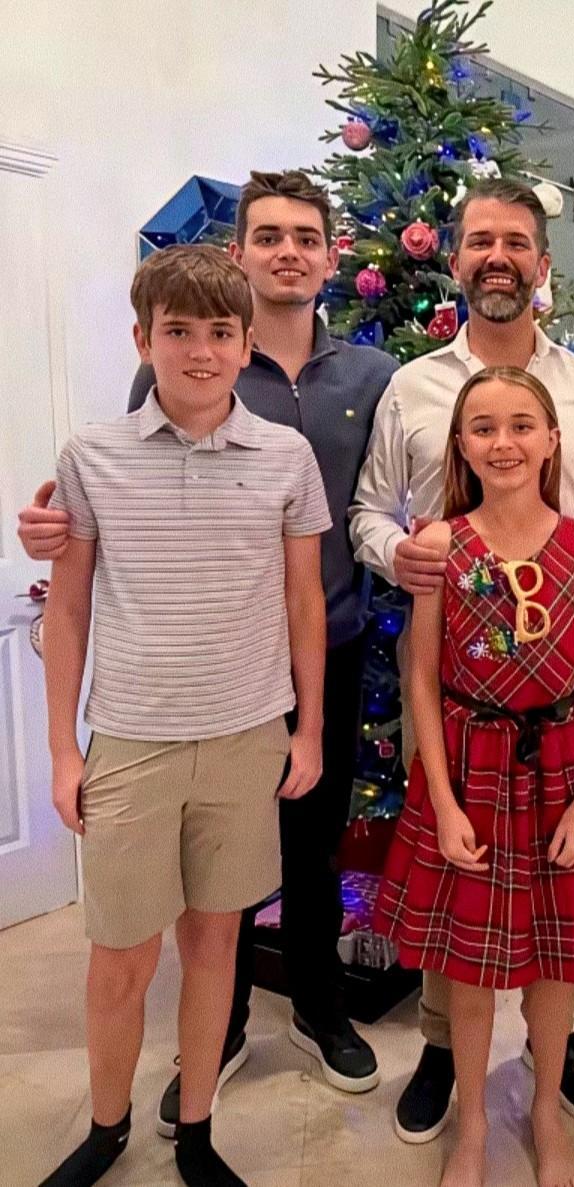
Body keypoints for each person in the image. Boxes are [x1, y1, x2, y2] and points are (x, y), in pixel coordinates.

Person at [18, 172, 397, 1125]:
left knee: (311, 853)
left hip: (322, 647)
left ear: (330, 256)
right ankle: (215, 1033)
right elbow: (125, 493)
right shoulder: (178, 369)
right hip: (183, 677)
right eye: (268, 235)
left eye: (305, 236)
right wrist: (49, 529)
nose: (288, 251)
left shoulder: (371, 375)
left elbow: (409, 476)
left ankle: (317, 1006)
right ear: (241, 251)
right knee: (190, 899)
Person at [351, 178, 574, 1143]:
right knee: (463, 889)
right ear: (456, 258)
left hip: (560, 676)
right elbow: (370, 511)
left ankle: (556, 1052)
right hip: (456, 674)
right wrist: (401, 552)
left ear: (541, 263)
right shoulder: (412, 388)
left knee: (556, 892)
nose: (497, 257)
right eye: (480, 240)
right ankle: (447, 1050)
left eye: (516, 241)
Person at [39, 245, 331, 1187]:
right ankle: (106, 1125)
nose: (199, 351)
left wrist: (309, 729)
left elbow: (303, 602)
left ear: (246, 344)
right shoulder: (92, 456)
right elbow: (68, 608)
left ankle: (197, 1127)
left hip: (247, 737)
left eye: (218, 332)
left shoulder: (285, 456)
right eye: (177, 332)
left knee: (216, 945)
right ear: (144, 340)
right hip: (132, 740)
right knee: (120, 956)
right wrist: (63, 751)